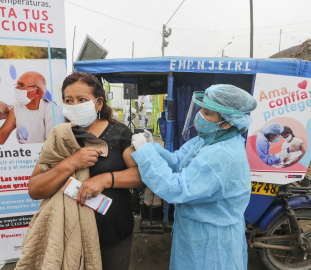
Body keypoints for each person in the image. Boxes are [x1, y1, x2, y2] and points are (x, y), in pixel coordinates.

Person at [18, 72, 142, 270]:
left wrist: (104, 180)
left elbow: (139, 174)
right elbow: (35, 189)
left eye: (82, 99)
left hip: (114, 235)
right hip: (69, 236)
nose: (74, 105)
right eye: (69, 100)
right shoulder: (60, 136)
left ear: (99, 103)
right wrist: (71, 163)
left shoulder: (119, 133)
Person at [130, 84, 257, 269]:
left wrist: (145, 154)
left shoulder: (220, 156)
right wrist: (152, 147)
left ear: (228, 121)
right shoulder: (209, 139)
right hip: (195, 232)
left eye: (207, 113)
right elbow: (178, 161)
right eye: (201, 109)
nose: (199, 116)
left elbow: (176, 188)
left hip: (212, 241)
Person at [0, 71, 64, 145]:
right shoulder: (17, 107)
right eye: (17, 85)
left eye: (22, 86)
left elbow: (54, 146)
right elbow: (2, 134)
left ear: (37, 92)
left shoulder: (52, 110)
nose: (16, 88)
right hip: (26, 155)